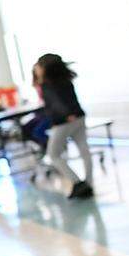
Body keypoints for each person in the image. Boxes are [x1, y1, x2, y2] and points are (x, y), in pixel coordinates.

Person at [39, 54, 93, 199]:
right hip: (79, 116)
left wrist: (66, 114)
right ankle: (88, 183)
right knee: (84, 150)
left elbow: (55, 103)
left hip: (63, 121)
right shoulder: (65, 79)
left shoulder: (46, 84)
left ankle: (77, 182)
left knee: (53, 154)